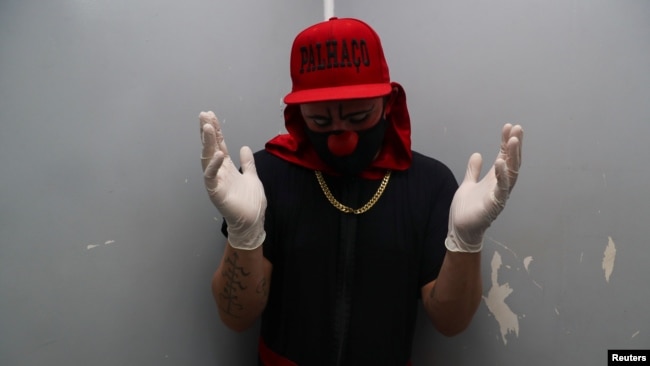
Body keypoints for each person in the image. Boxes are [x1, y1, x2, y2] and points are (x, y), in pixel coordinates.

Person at [198, 17, 523, 366]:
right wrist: (243, 234)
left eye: (359, 116)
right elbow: (236, 318)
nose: (342, 138)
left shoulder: (429, 184)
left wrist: (466, 242)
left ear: (387, 104)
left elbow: (451, 323)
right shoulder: (265, 178)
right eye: (320, 121)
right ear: (297, 113)